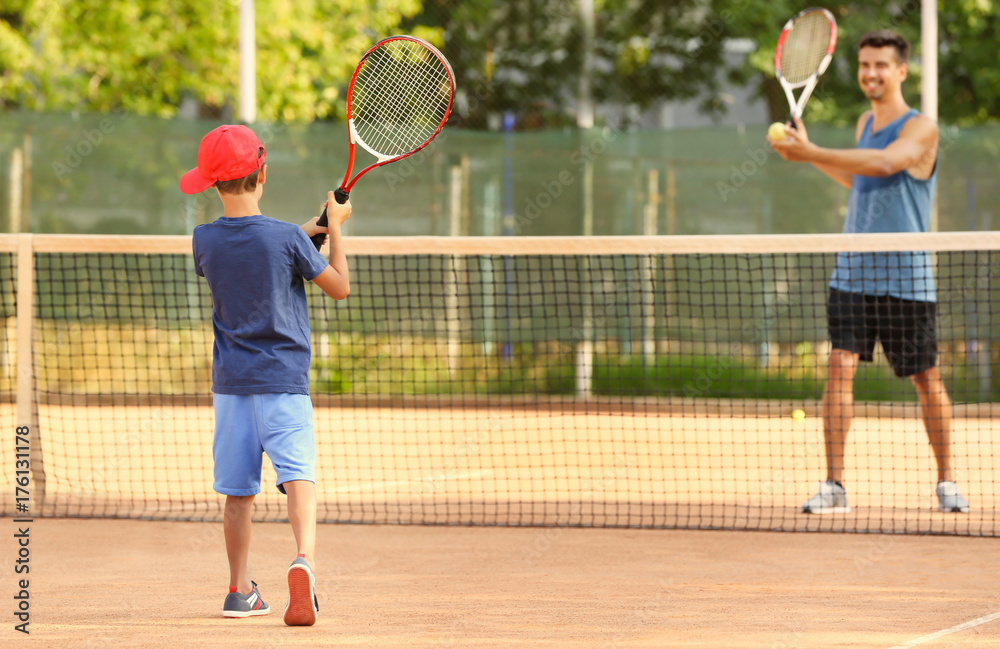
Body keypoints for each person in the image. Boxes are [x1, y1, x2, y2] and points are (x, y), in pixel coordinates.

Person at [768, 30, 970, 515]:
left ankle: (947, 482)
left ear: (901, 71)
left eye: (881, 65)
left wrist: (809, 152)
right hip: (852, 273)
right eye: (864, 65)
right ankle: (834, 485)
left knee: (925, 378)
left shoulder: (922, 127)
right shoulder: (863, 122)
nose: (871, 74)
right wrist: (812, 154)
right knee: (839, 367)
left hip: (906, 277)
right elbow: (859, 177)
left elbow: (884, 164)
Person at [180, 124, 352, 624]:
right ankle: (304, 561)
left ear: (213, 185)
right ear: (263, 174)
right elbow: (338, 286)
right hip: (283, 383)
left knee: (238, 495)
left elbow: (256, 251)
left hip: (232, 389)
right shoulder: (284, 240)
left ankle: (239, 590)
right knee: (298, 478)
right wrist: (334, 228)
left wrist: (304, 233)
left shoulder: (204, 240)